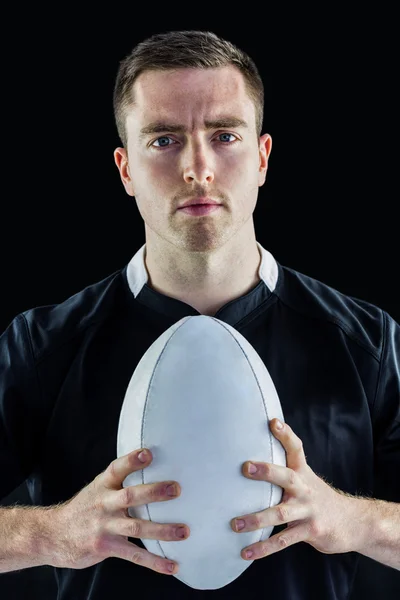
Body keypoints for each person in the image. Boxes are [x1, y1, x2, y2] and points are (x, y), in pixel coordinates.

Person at [0, 29, 399, 599]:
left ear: (262, 157)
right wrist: (50, 533)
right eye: (164, 140)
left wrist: (354, 520)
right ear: (125, 170)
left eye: (224, 135)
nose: (198, 167)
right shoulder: (40, 348)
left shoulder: (369, 344)